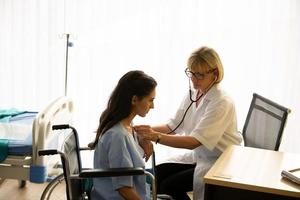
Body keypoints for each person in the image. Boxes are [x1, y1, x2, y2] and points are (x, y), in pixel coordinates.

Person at [134, 46, 243, 200]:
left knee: (169, 186)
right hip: (201, 156)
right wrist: (140, 130)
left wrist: (154, 136)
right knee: (158, 175)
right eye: (191, 73)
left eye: (199, 75)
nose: (193, 79)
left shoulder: (221, 102)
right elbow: (172, 126)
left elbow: (194, 142)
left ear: (215, 73)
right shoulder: (194, 92)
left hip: (219, 161)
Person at [89, 70, 157, 200]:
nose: (152, 106)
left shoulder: (128, 126)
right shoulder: (118, 136)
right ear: (134, 99)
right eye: (150, 100)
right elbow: (124, 189)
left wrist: (141, 140)